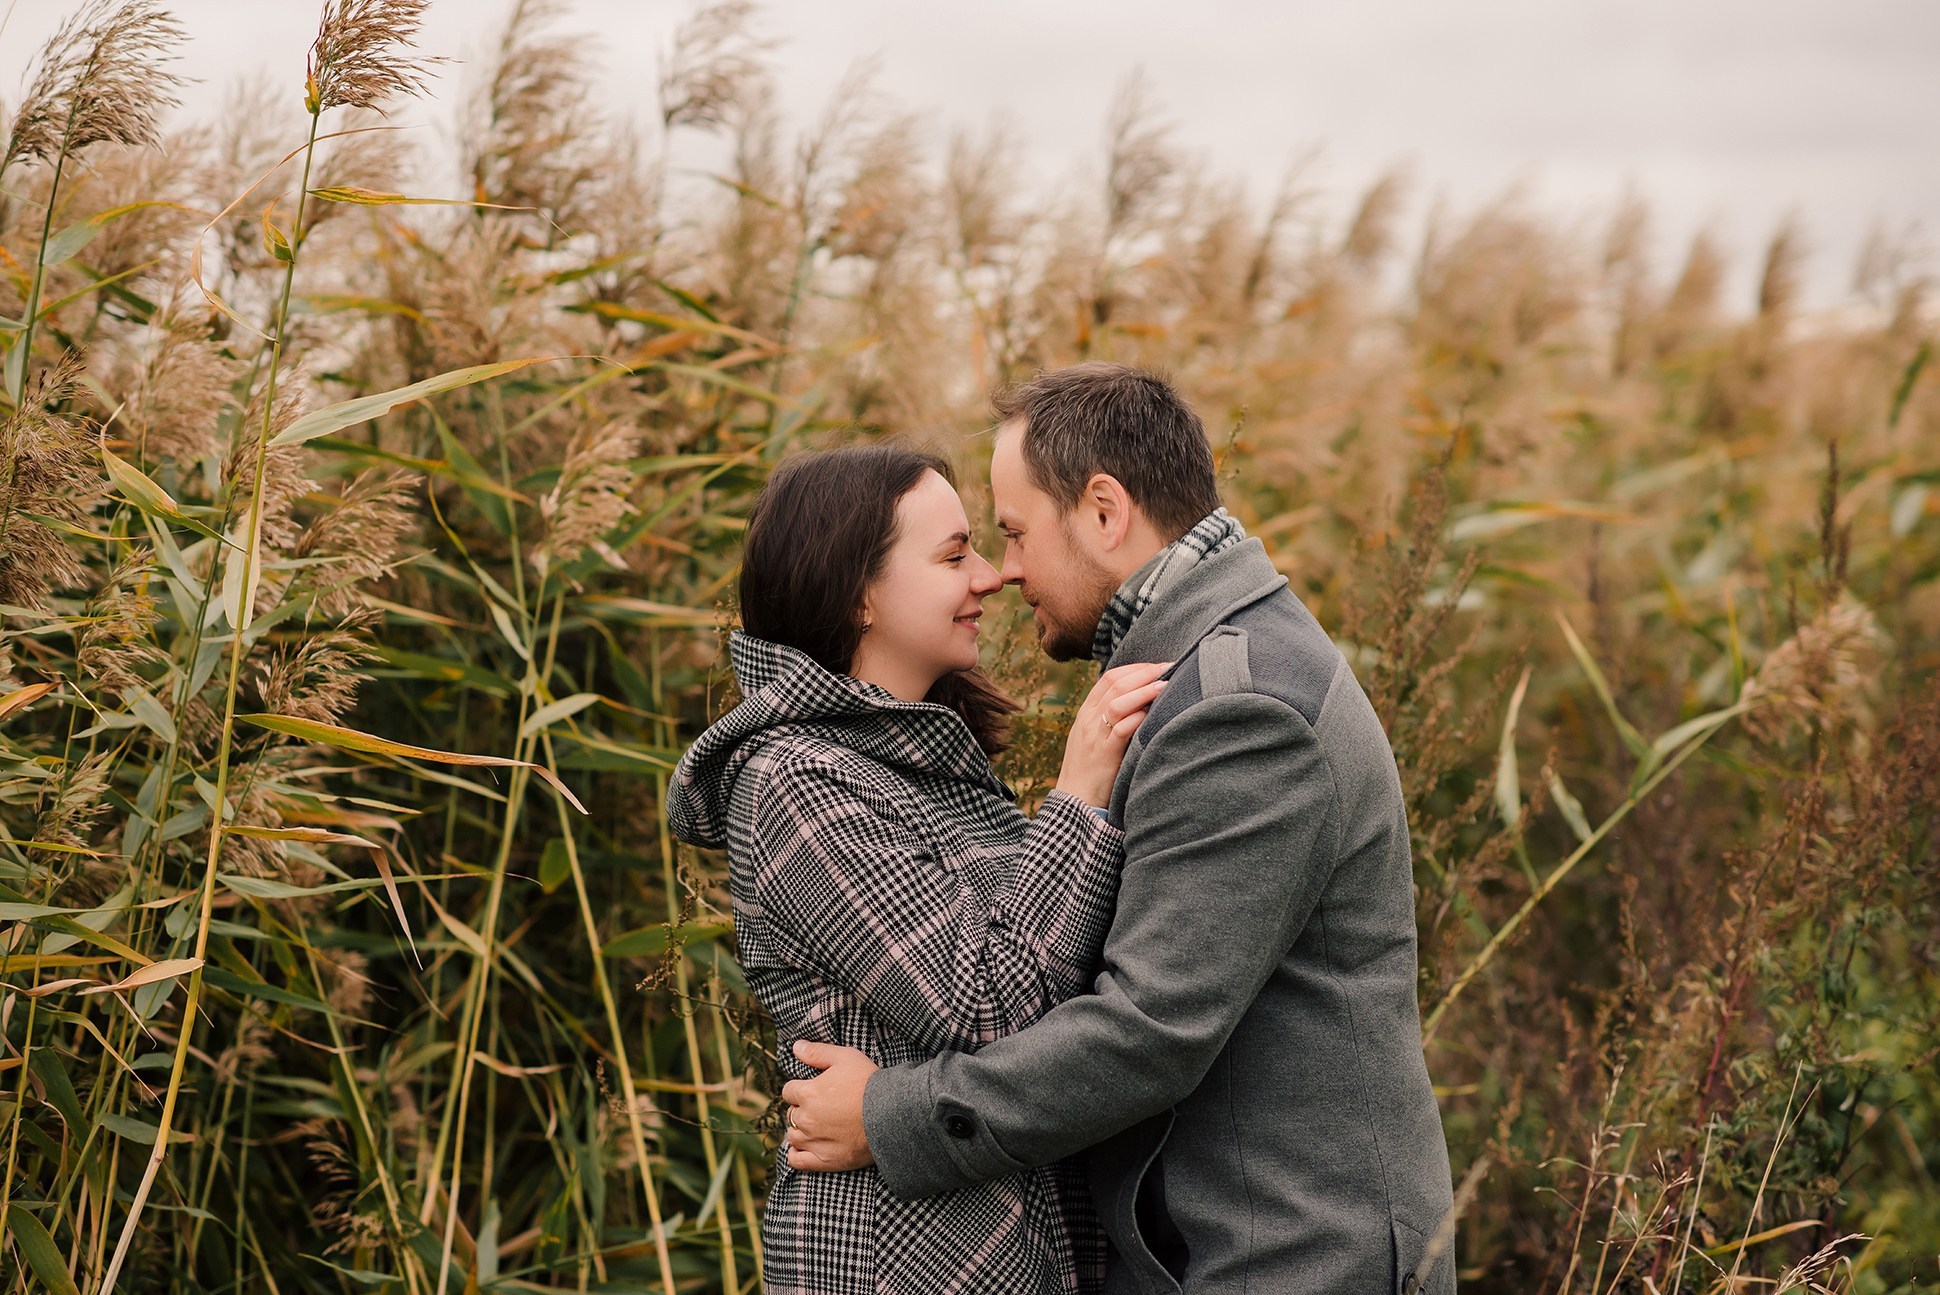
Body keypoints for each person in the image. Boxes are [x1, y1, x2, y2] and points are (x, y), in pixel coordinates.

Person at [779, 364, 1458, 1294]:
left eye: (1015, 532)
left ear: (1104, 511)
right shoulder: (1204, 672)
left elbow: (1148, 1028)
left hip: (1288, 1256)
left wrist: (889, 1117)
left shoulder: (1240, 705)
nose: (1005, 570)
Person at [664, 443, 1170, 1294]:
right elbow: (989, 1007)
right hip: (903, 1253)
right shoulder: (797, 781)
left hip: (990, 1236)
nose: (990, 576)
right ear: (859, 592)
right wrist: (1078, 797)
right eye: (953, 555)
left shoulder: (922, 761)